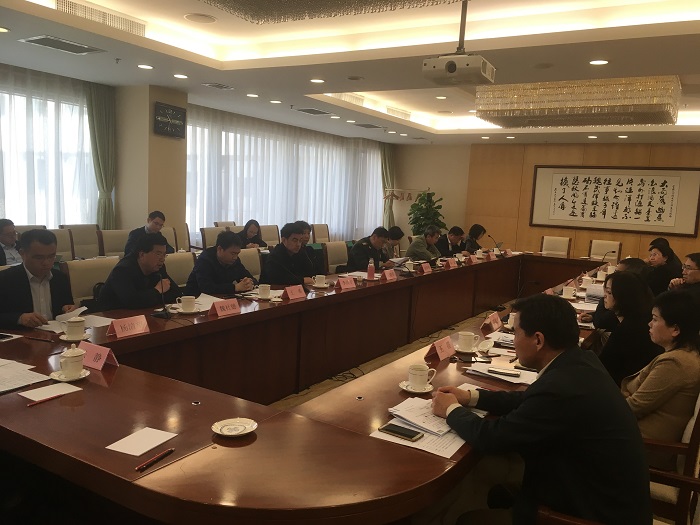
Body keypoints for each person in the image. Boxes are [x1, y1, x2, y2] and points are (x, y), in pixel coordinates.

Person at [431, 294, 652, 525]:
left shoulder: (560, 387)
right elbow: (529, 399)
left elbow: (492, 438)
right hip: (601, 493)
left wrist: (451, 409)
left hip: (592, 512)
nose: (513, 340)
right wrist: (470, 397)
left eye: (516, 333)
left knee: (468, 520)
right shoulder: (580, 360)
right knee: (500, 493)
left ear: (538, 340)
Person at [622, 291, 700, 470]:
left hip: (643, 448)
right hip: (638, 438)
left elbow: (634, 406)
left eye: (655, 319)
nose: (649, 324)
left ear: (675, 330)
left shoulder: (675, 363)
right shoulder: (685, 353)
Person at [0, 229, 76, 328]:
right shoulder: (5, 279)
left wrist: (68, 309)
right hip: (22, 335)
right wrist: (19, 318)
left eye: (51, 256)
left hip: (57, 333)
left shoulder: (60, 278)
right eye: (39, 258)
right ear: (22, 253)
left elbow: (67, 305)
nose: (46, 263)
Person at [598, 271, 662, 385]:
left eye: (609, 292)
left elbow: (603, 367)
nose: (604, 296)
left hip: (621, 387)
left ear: (624, 296)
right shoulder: (640, 317)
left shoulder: (629, 329)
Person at [99, 233, 181, 310]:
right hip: (113, 315)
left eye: (164, 254)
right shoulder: (122, 270)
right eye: (158, 254)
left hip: (144, 313)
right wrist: (157, 290)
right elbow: (132, 302)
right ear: (142, 254)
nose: (162, 259)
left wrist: (150, 297)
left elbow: (176, 293)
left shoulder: (158, 267)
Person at [185, 231, 255, 296]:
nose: (235, 257)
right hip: (196, 299)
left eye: (237, 253)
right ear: (220, 249)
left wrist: (249, 283)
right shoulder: (205, 260)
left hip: (223, 299)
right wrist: (235, 287)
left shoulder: (234, 260)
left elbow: (249, 277)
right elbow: (206, 288)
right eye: (233, 253)